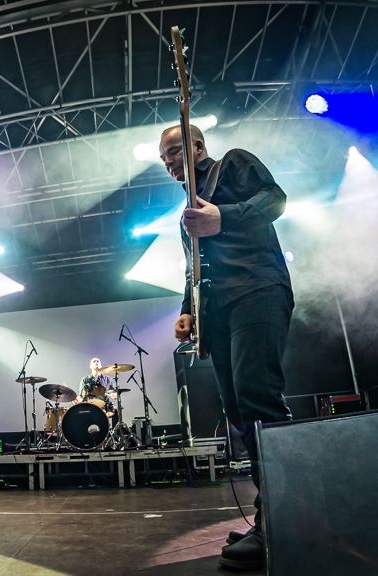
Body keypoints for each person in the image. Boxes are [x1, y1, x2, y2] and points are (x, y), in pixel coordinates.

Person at [159, 124, 293, 571]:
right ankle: (269, 513)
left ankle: (285, 518)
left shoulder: (232, 164)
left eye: (174, 151)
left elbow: (275, 199)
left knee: (259, 398)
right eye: (164, 157)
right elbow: (193, 269)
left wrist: (224, 217)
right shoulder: (186, 214)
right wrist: (187, 310)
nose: (169, 161)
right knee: (238, 409)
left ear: (197, 146)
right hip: (216, 314)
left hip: (256, 290)